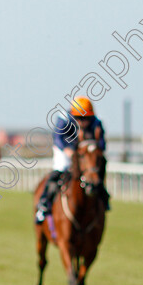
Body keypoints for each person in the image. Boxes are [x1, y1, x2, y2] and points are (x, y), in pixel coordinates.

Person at [35, 96, 109, 224]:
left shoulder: (97, 122)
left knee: (100, 163)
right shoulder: (64, 118)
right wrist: (68, 150)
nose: (83, 122)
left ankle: (103, 196)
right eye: (79, 118)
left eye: (86, 118)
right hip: (65, 149)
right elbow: (58, 138)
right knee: (61, 167)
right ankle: (44, 203)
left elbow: (102, 144)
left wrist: (95, 147)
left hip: (85, 151)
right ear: (73, 115)